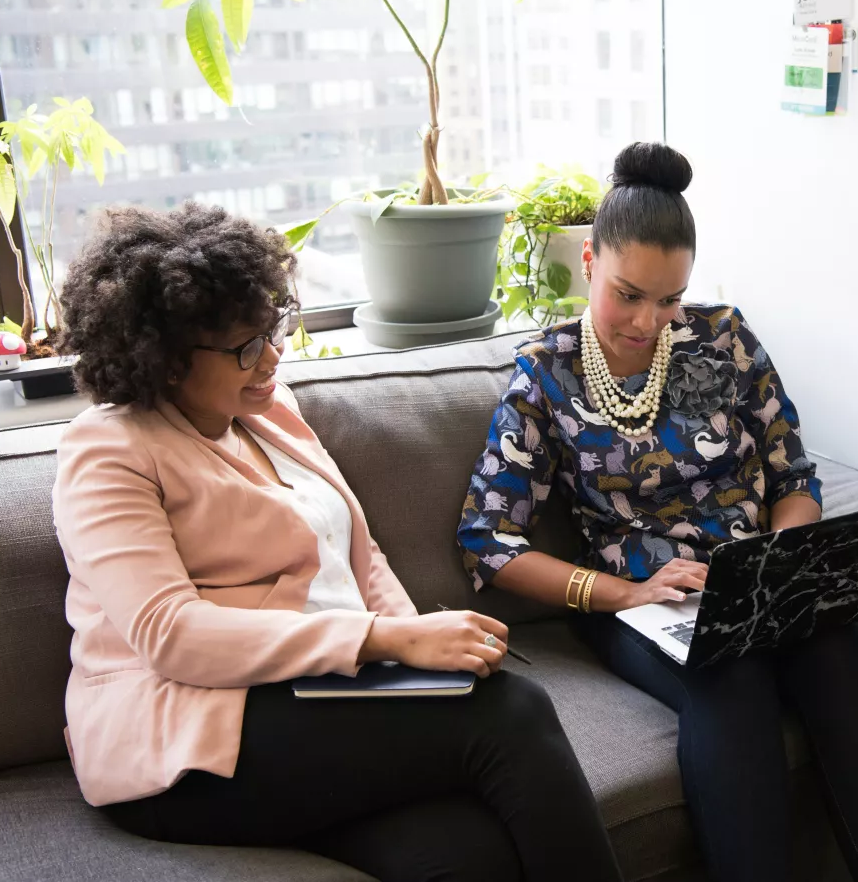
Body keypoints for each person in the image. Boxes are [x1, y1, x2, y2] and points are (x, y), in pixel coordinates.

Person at [52, 202, 623, 882]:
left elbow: (359, 551)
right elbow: (169, 632)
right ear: (168, 359)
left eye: (272, 327)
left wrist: (422, 658)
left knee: (467, 854)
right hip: (188, 739)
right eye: (244, 346)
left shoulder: (269, 411)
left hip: (316, 701)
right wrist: (384, 642)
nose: (272, 354)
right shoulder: (108, 449)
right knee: (513, 710)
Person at [457, 142, 858, 882]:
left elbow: (793, 475)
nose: (649, 321)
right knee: (730, 678)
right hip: (644, 599)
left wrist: (782, 562)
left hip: (759, 578)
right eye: (629, 293)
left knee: (835, 654)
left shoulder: (725, 339)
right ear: (588, 262)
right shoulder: (543, 377)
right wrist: (627, 591)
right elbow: (487, 541)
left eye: (669, 297)